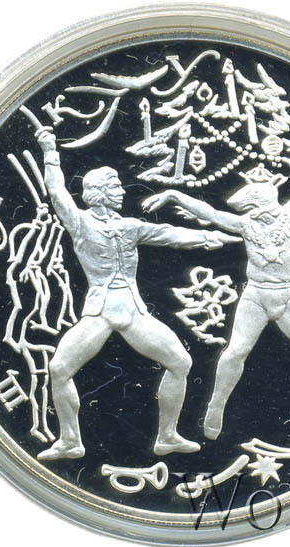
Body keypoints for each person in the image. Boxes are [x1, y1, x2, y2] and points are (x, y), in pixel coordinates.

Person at [143, 144, 290, 439]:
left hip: (286, 298)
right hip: (255, 297)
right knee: (236, 351)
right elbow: (211, 214)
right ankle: (216, 405)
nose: (250, 213)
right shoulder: (246, 225)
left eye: (253, 206)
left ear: (264, 203)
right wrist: (174, 195)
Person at [35, 129, 241, 460]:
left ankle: (167, 437)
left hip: (132, 311)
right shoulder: (80, 223)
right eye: (115, 186)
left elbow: (170, 234)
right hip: (100, 312)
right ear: (99, 193)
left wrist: (215, 238)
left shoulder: (129, 227)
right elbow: (57, 192)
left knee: (180, 362)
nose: (122, 191)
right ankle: (70, 440)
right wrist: (49, 152)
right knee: (59, 369)